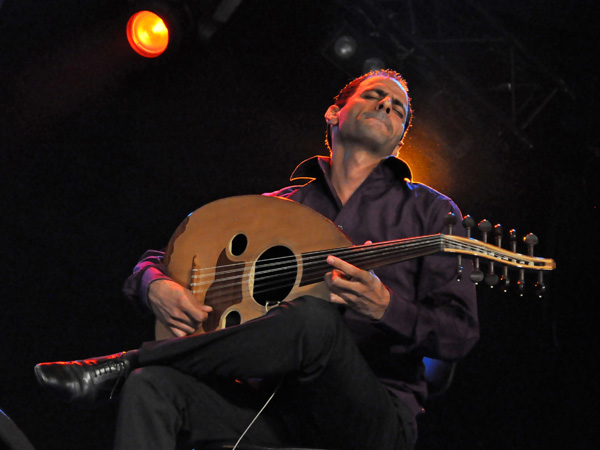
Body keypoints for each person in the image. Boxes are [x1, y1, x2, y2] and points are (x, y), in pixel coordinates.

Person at [34, 69, 479, 450]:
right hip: (272, 409)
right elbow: (164, 257)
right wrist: (154, 285)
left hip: (371, 415)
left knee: (315, 319)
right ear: (333, 113)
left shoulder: (431, 212)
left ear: (400, 140)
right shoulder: (281, 206)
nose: (386, 106)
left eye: (398, 108)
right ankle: (139, 370)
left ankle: (128, 361)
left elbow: (459, 335)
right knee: (151, 388)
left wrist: (386, 307)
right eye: (373, 95)